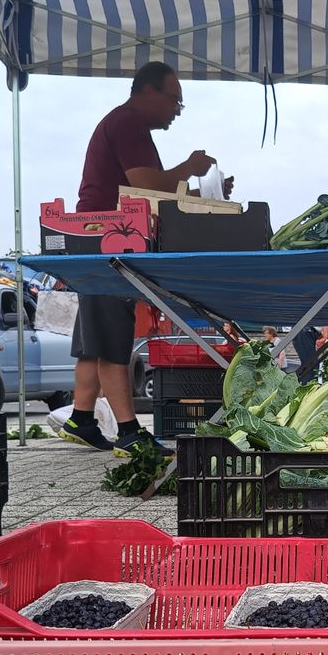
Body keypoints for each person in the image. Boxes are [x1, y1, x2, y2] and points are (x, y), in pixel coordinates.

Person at [61, 61, 229, 456]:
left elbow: (148, 188)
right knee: (111, 335)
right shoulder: (128, 123)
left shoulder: (125, 124)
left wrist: (192, 188)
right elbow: (145, 185)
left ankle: (81, 418)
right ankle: (128, 432)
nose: (176, 111)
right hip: (107, 238)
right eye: (175, 101)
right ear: (148, 91)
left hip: (99, 235)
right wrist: (189, 168)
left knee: (94, 336)